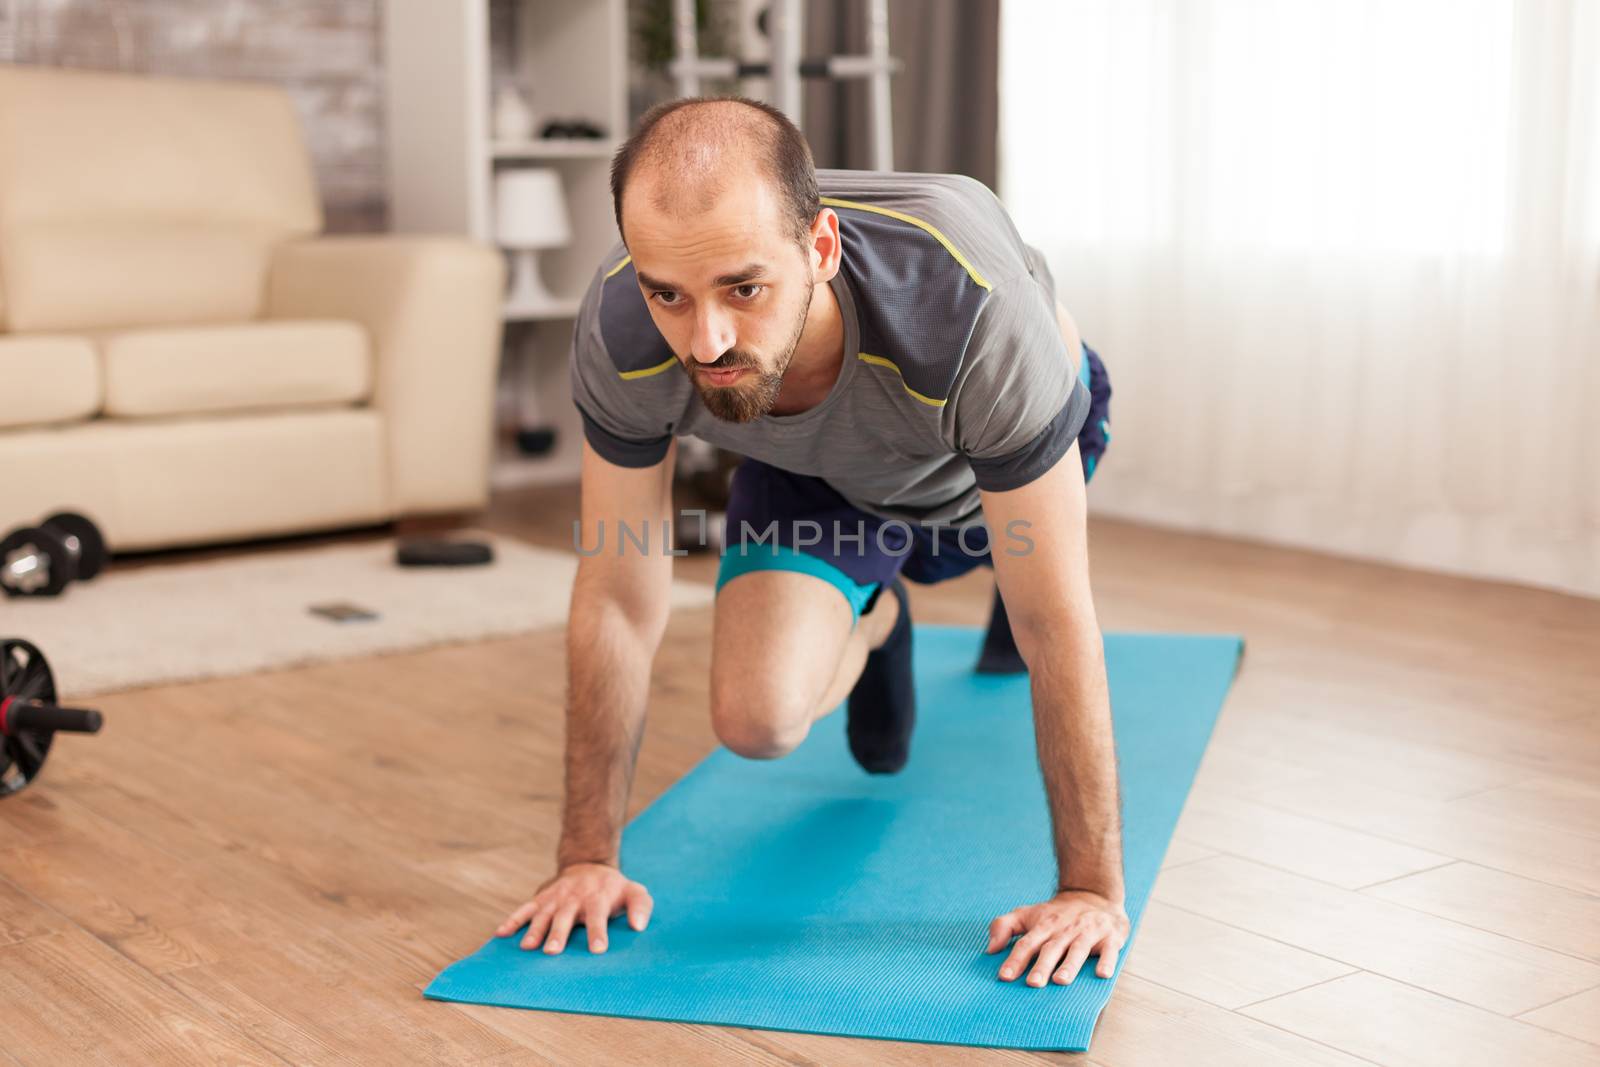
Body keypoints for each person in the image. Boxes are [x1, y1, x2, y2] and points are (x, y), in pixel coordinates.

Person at [495, 95, 1127, 990]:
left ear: (822, 250)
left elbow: (1056, 619)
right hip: (815, 475)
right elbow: (616, 592)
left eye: (743, 289)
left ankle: (905, 588)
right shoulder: (625, 329)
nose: (704, 339)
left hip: (979, 460)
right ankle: (875, 617)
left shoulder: (968, 309)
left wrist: (1090, 888)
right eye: (668, 292)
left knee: (1022, 608)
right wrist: (584, 856)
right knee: (755, 722)